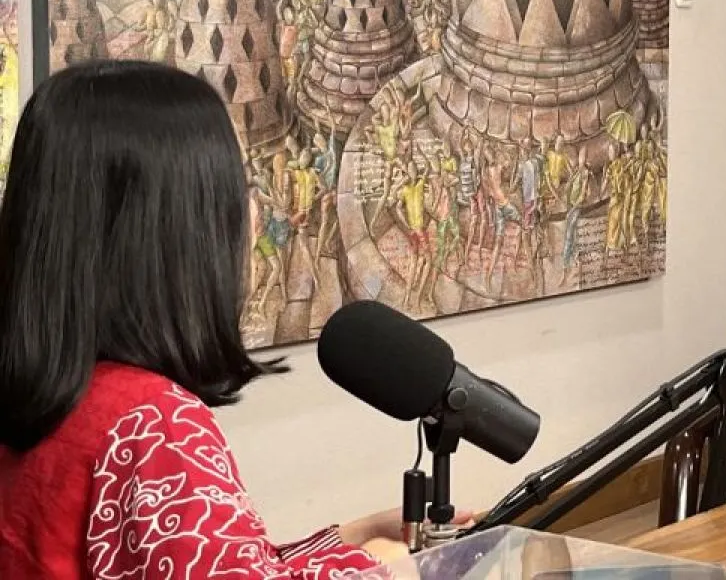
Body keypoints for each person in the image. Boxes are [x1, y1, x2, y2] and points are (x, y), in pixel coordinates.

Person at [0, 61, 455, 578]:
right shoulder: (154, 424)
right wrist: (380, 567)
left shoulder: (51, 400)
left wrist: (351, 537)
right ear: (182, 230)